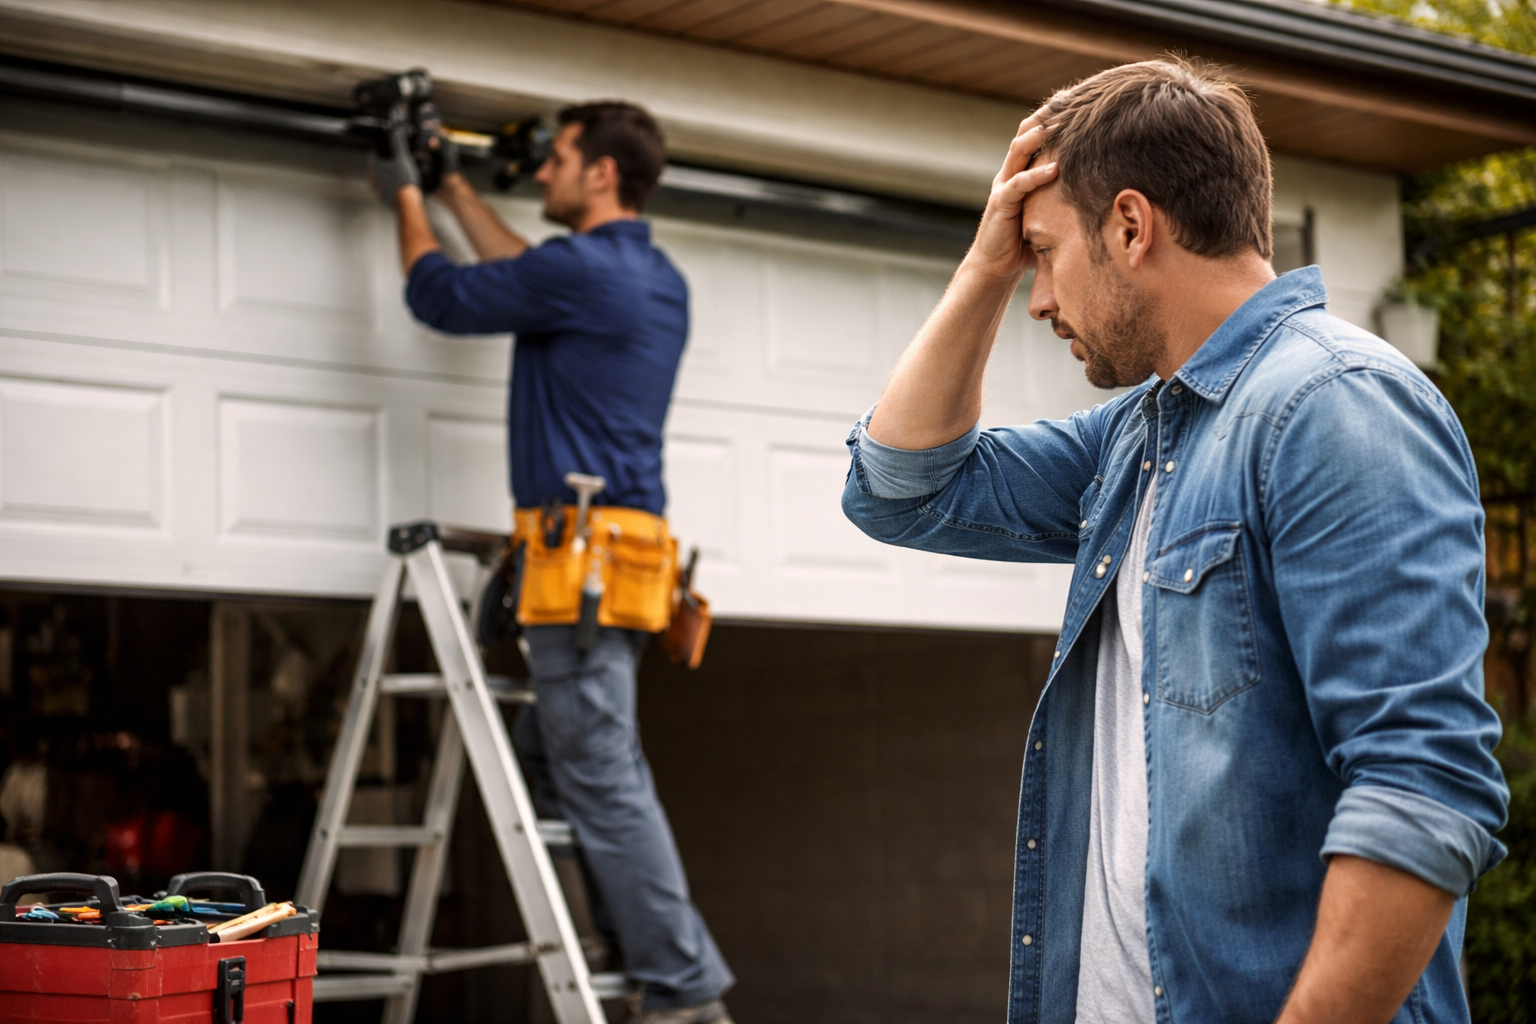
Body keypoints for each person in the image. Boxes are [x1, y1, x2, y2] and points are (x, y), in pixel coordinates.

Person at [841, 58, 1508, 1024]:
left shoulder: (1334, 407)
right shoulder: (1138, 438)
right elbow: (902, 488)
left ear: (1129, 225)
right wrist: (986, 263)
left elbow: (1421, 791)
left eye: (1042, 253)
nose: (1036, 300)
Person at [371, 101, 734, 1024]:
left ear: (601, 173)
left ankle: (684, 991)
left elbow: (440, 295)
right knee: (555, 759)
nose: (540, 177)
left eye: (557, 160)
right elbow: (525, 269)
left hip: (583, 574)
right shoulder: (653, 276)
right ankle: (627, 939)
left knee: (604, 778)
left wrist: (406, 191)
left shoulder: (578, 272)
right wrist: (453, 180)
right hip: (620, 566)